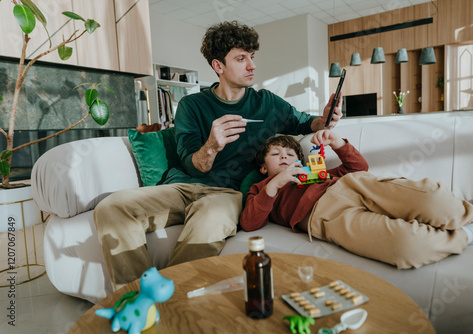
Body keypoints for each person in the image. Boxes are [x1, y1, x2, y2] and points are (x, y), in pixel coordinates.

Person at [93, 21, 343, 289]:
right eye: (241, 58)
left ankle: (172, 302)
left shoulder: (267, 103)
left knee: (210, 219)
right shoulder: (192, 105)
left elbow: (306, 123)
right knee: (112, 207)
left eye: (252, 57)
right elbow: (192, 164)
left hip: (228, 195)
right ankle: (136, 299)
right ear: (218, 66)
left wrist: (326, 118)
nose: (252, 65)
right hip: (182, 187)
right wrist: (212, 145)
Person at [240, 131, 473, 269]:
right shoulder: (262, 188)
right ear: (263, 168)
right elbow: (251, 223)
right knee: (406, 246)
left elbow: (358, 166)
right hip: (326, 218)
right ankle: (471, 234)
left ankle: (471, 216)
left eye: (290, 153)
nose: (285, 157)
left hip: (351, 185)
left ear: (301, 161)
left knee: (434, 199)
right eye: (276, 154)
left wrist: (337, 142)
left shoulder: (319, 173)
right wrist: (275, 183)